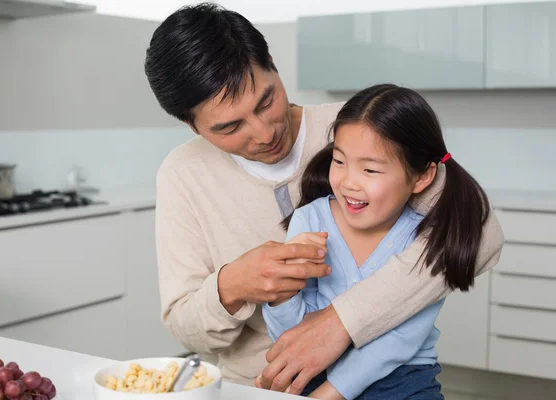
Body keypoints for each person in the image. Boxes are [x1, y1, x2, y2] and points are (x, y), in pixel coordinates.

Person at [144, 2, 504, 394]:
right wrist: (232, 286)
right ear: (190, 124)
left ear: (273, 64)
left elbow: (480, 234)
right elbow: (188, 329)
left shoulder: (357, 127)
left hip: (387, 377)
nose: (264, 133)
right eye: (230, 126)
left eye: (266, 101)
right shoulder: (183, 173)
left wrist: (343, 322)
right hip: (259, 385)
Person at [261, 84, 490, 400]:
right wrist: (284, 291)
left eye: (370, 169)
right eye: (339, 162)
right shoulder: (310, 220)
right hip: (314, 373)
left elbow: (401, 339)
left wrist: (331, 393)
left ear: (421, 177)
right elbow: (292, 337)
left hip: (402, 381)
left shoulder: (426, 237)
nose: (349, 182)